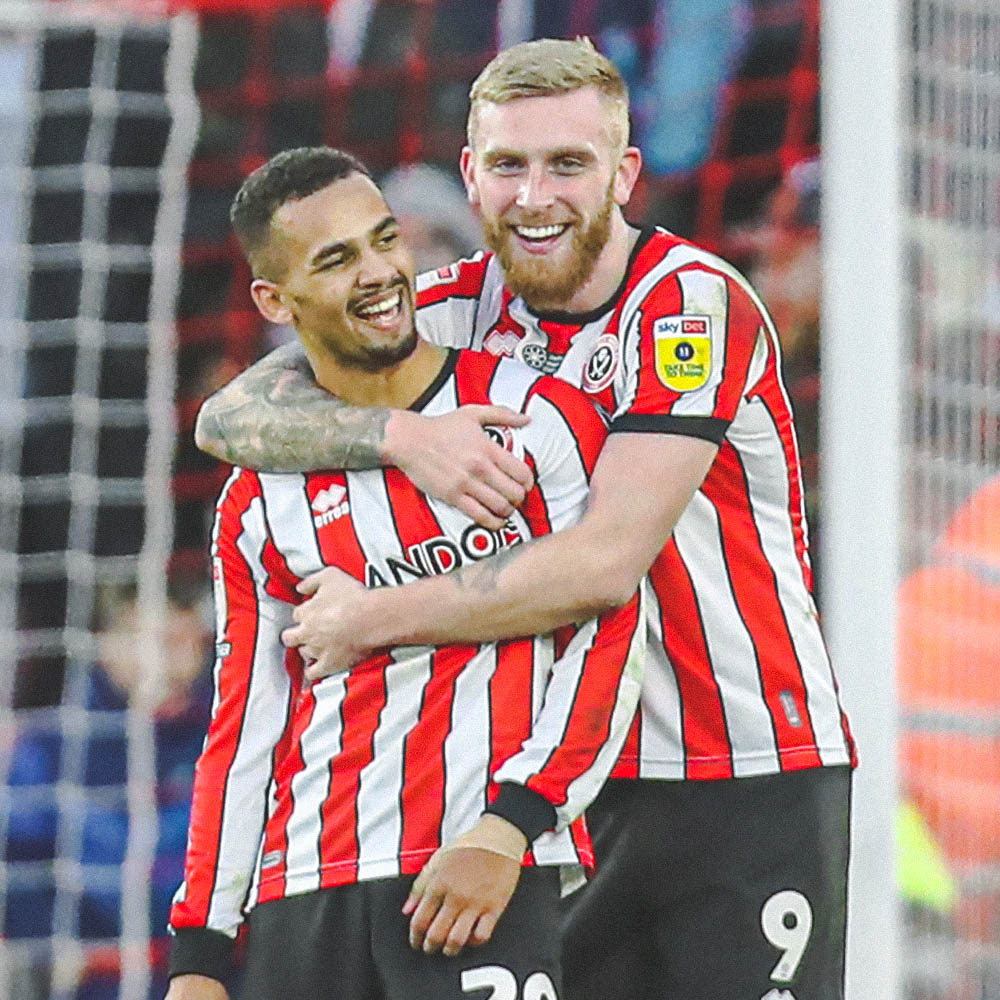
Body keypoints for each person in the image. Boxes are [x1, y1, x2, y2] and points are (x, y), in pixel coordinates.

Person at [194, 39, 855, 1000]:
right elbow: (232, 418)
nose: (535, 196)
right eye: (508, 165)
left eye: (568, 165)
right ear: (471, 173)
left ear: (623, 174)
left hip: (740, 768)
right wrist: (396, 436)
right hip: (565, 788)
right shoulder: (456, 306)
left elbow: (601, 566)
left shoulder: (685, 307)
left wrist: (371, 618)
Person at [165, 146, 644, 1000]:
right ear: (276, 300)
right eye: (337, 258)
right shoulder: (259, 495)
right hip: (301, 893)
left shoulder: (534, 420)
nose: (382, 272)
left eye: (385, 240)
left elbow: (608, 633)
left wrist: (513, 827)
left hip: (472, 874)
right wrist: (202, 948)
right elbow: (244, 726)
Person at [4, 574, 213, 1000]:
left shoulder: (234, 734)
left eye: (176, 641)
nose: (161, 663)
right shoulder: (52, 744)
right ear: (104, 643)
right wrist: (60, 947)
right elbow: (17, 867)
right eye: (141, 641)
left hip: (218, 975)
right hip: (91, 982)